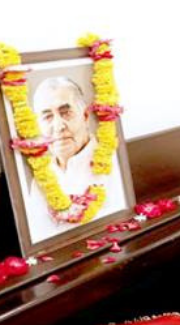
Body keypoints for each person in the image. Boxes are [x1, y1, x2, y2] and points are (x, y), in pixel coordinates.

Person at [25, 76, 125, 243]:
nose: (58, 126)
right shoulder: (39, 180)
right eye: (47, 117)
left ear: (85, 116)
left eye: (66, 113)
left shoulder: (115, 162)